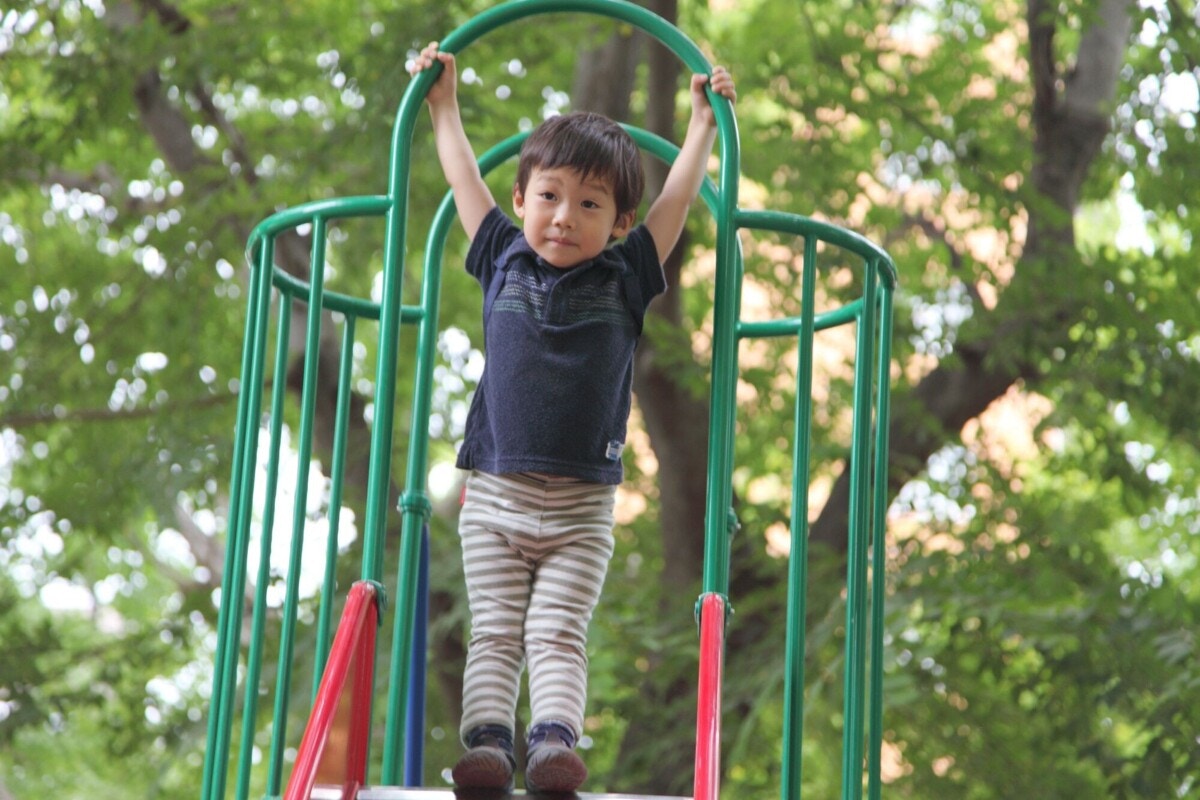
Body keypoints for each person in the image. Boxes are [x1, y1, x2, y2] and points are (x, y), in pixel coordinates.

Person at [408, 40, 736, 793]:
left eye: (589, 205)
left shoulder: (625, 276)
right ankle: (488, 751)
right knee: (492, 632)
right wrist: (443, 105)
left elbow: (675, 203)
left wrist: (702, 126)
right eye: (549, 196)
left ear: (618, 223)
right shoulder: (501, 258)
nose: (564, 217)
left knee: (557, 633)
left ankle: (553, 746)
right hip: (494, 497)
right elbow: (463, 178)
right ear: (521, 201)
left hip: (583, 509)